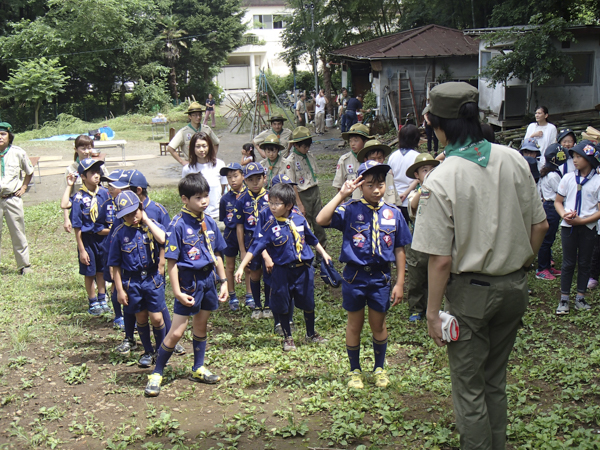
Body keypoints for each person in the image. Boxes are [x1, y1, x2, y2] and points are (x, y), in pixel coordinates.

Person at [412, 82, 548, 450]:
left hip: (471, 296)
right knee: (494, 380)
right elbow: (540, 225)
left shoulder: (442, 177)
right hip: (514, 289)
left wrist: (431, 314)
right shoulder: (514, 158)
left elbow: (439, 259)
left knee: (469, 388)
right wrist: (518, 264)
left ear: (437, 125)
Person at [317, 161, 411, 389]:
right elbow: (321, 220)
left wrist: (400, 282)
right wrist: (342, 194)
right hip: (354, 277)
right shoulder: (350, 209)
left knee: (378, 325)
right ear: (360, 186)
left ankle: (379, 368)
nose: (376, 189)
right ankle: (354, 370)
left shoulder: (394, 213)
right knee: (354, 325)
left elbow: (399, 249)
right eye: (369, 185)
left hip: (380, 279)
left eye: (380, 183)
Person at [145, 173, 228, 397]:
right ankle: (157, 372)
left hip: (208, 280)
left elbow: (217, 254)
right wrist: (177, 292)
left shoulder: (208, 221)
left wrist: (223, 281)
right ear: (185, 199)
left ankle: (198, 368)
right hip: (188, 283)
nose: (204, 201)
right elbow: (171, 262)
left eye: (206, 196)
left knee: (201, 326)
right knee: (177, 331)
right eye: (198, 197)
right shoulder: (178, 224)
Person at [235, 182, 332, 351]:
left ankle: (311, 333)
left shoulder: (299, 220)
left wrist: (323, 253)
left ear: (288, 205)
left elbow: (312, 239)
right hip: (282, 271)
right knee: (283, 303)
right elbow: (256, 247)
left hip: (303, 269)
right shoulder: (270, 226)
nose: (272, 207)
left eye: (276, 203)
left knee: (308, 302)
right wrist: (242, 267)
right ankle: (288, 337)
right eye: (270, 203)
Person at [108, 191, 167, 368]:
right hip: (132, 282)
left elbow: (163, 239)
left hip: (152, 279)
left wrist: (147, 220)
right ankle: (148, 351)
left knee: (156, 318)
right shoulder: (119, 233)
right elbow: (115, 265)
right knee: (141, 318)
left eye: (135, 212)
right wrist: (119, 290)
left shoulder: (151, 225)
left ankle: (161, 350)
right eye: (126, 215)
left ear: (141, 208)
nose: (132, 217)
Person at [554, 140, 600, 315]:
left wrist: (582, 221)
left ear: (590, 159)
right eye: (573, 156)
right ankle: (564, 298)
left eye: (579, 156)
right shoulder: (568, 178)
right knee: (568, 263)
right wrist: (564, 214)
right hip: (568, 227)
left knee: (584, 262)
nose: (574, 160)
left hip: (587, 228)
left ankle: (580, 296)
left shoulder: (598, 181)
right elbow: (559, 202)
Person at [62, 158, 111, 315]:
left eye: (98, 172)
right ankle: (92, 301)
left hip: (103, 239)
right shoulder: (78, 198)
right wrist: (82, 249)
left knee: (102, 270)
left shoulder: (105, 193)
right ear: (83, 176)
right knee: (89, 270)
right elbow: (77, 226)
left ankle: (103, 297)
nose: (97, 176)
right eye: (92, 173)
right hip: (87, 240)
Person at [284, 127, 328, 264]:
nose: (307, 148)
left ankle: (321, 255)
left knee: (319, 223)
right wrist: (300, 204)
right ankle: (305, 255)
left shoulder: (310, 156)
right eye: (304, 146)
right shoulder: (290, 161)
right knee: (304, 226)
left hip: (314, 191)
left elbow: (313, 177)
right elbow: (292, 184)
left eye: (308, 145)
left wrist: (318, 198)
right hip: (301, 195)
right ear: (296, 145)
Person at [405, 153, 439, 322]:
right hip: (417, 244)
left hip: (436, 241)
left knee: (436, 276)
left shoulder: (440, 193)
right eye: (425, 170)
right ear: (417, 176)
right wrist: (426, 186)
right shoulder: (416, 193)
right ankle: (416, 308)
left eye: (433, 170)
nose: (430, 173)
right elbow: (412, 205)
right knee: (416, 278)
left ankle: (434, 307)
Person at [234, 162, 271, 318]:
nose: (255, 183)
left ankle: (268, 305)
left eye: (258, 178)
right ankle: (257, 305)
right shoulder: (241, 199)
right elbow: (240, 226)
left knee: (269, 273)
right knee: (254, 274)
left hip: (269, 241)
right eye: (250, 180)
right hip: (251, 241)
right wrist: (243, 250)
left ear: (264, 178)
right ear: (245, 181)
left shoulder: (271, 197)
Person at [0, 122, 34, 274]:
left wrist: (24, 187)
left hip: (12, 199)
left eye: (3, 134)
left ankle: (24, 265)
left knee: (18, 232)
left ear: (9, 136)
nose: (0, 137)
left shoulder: (18, 152)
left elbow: (29, 171)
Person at [219, 162, 252, 311]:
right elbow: (223, 218)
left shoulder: (250, 195)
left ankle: (250, 295)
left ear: (243, 176)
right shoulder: (225, 199)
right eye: (229, 177)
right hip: (230, 235)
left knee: (248, 266)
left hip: (247, 235)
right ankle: (232, 295)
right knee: (230, 266)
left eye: (235, 176)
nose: (232, 180)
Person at [62, 134, 109, 233]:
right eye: (83, 148)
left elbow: (108, 188)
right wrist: (66, 219)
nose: (87, 152)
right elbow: (67, 196)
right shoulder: (71, 170)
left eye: (89, 148)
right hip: (81, 211)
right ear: (76, 149)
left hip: (100, 210)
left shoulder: (99, 166)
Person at [535, 143, 566, 281]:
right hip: (551, 207)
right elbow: (562, 192)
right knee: (546, 240)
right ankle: (542, 268)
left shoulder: (550, 172)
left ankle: (547, 265)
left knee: (550, 238)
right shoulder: (553, 175)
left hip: (550, 206)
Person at [182, 132, 227, 222]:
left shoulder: (220, 165)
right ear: (192, 148)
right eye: (198, 146)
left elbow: (224, 189)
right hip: (195, 217)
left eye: (204, 146)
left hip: (217, 216)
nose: (201, 149)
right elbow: (186, 193)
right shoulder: (187, 169)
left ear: (209, 146)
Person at [387, 124, 421, 225]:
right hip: (411, 199)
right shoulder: (417, 157)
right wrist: (406, 193)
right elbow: (418, 179)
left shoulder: (393, 156)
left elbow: (389, 177)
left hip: (395, 200)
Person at [333, 123, 372, 200]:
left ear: (365, 141)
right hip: (352, 201)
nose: (352, 144)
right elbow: (339, 186)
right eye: (350, 141)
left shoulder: (372, 158)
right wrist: (342, 203)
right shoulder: (344, 160)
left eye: (356, 140)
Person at [356, 139, 398, 205]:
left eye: (380, 158)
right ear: (365, 160)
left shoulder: (389, 175)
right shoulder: (362, 178)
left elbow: (396, 202)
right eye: (373, 159)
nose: (377, 162)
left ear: (384, 158)